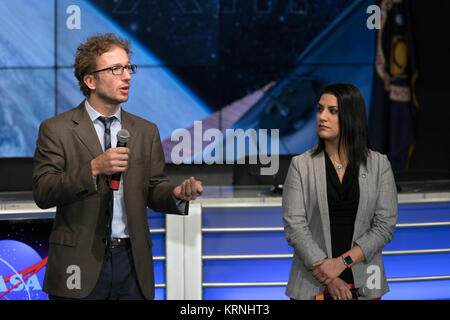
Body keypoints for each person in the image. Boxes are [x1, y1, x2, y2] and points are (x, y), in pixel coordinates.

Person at [32, 33, 203, 300]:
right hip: (78, 263)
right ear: (90, 80)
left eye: (128, 68)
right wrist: (93, 168)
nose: (127, 77)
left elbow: (155, 188)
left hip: (132, 264)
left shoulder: (146, 131)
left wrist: (176, 195)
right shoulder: (57, 129)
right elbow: (44, 192)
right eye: (115, 69)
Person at [282, 82, 398, 300]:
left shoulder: (379, 164)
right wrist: (329, 276)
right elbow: (294, 227)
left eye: (332, 111)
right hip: (312, 282)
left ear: (351, 116)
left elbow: (385, 226)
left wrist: (342, 263)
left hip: (365, 279)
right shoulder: (301, 164)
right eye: (319, 109)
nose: (322, 117)